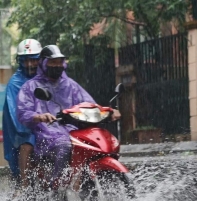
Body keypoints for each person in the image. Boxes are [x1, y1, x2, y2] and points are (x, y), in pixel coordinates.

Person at [16, 45, 121, 190]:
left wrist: (108, 111)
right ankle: (57, 187)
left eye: (60, 62)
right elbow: (23, 112)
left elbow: (88, 103)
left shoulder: (71, 85)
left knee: (97, 142)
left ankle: (88, 180)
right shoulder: (30, 87)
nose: (57, 66)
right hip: (48, 132)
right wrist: (39, 116)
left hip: (73, 129)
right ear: (43, 64)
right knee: (64, 146)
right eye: (53, 62)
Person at [2, 39, 42, 190]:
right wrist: (33, 123)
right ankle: (24, 185)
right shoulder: (15, 83)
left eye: (34, 60)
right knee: (28, 142)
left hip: (50, 125)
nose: (30, 64)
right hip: (24, 129)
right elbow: (15, 115)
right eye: (26, 61)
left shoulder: (47, 78)